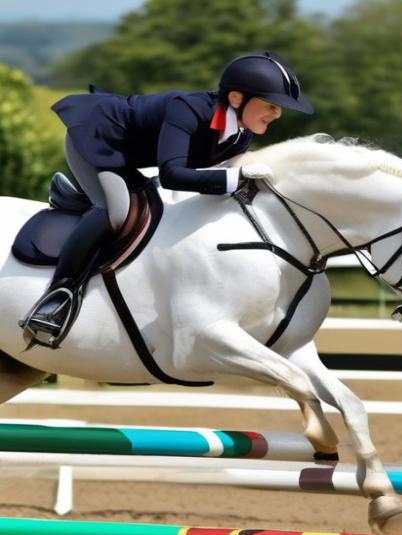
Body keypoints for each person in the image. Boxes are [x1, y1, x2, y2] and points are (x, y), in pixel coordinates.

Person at [20, 50, 313, 346]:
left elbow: (204, 178)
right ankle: (59, 295)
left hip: (137, 156)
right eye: (271, 105)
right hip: (100, 139)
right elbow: (174, 174)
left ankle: (78, 200)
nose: (277, 114)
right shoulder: (187, 110)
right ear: (237, 99)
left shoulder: (241, 133)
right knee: (118, 211)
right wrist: (236, 177)